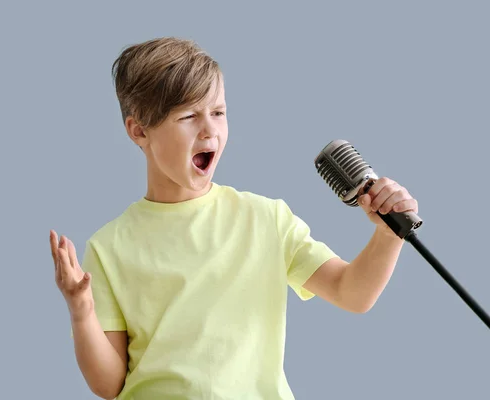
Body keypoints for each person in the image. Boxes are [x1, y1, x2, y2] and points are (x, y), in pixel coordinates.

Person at [49, 37, 418, 400]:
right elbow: (109, 385)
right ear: (139, 131)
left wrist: (388, 236)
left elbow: (352, 293)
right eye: (189, 116)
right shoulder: (109, 246)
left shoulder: (266, 219)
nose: (209, 130)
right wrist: (82, 312)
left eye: (218, 112)